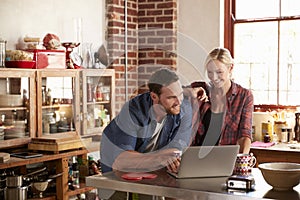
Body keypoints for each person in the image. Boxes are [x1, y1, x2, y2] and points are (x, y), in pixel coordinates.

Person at [100, 67, 202, 174]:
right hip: (114, 161)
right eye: (171, 97)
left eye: (180, 94)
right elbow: (122, 161)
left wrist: (164, 159)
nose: (178, 102)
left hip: (147, 163)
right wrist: (159, 159)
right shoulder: (133, 112)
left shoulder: (184, 109)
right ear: (154, 97)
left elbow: (175, 150)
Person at [191, 47, 253, 154]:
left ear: (230, 68)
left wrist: (242, 159)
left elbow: (244, 135)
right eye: (210, 72)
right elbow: (171, 92)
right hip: (196, 158)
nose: (214, 78)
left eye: (219, 72)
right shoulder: (201, 89)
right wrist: (190, 92)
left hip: (225, 160)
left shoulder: (244, 96)